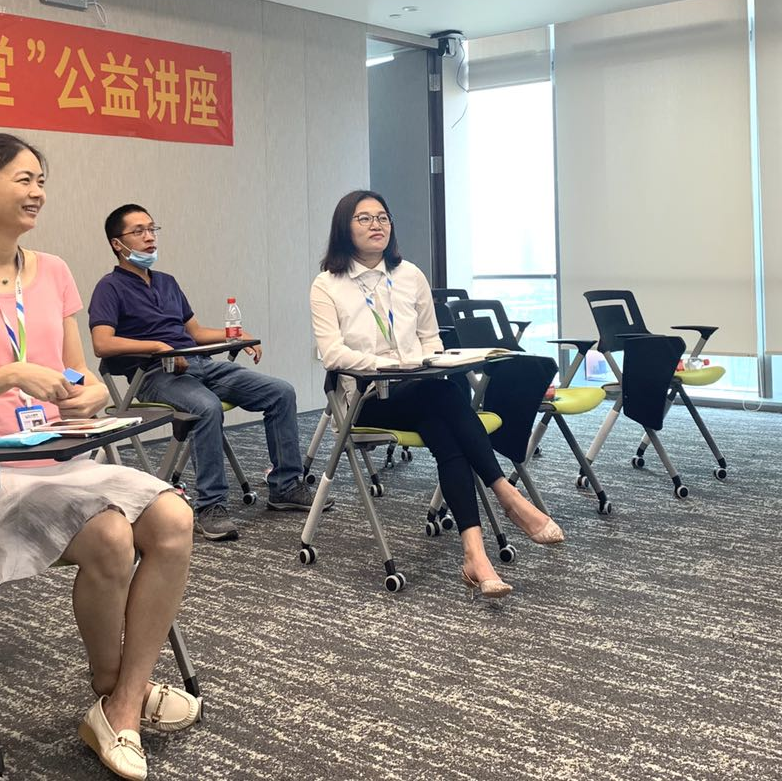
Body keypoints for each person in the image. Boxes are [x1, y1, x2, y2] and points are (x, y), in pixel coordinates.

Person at [0, 133, 196, 781]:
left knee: (175, 518)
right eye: (23, 180)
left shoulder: (54, 271)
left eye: (41, 180)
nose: (37, 192)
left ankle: (121, 700)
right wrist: (9, 374)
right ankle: (117, 694)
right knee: (111, 536)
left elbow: (78, 373)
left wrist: (90, 393)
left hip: (63, 454)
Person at [309, 189, 565, 598]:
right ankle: (507, 495)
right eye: (365, 218)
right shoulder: (327, 285)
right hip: (366, 399)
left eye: (382, 217)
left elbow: (430, 338)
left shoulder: (409, 275)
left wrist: (429, 361)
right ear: (344, 227)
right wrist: (391, 366)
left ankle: (475, 555)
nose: (377, 225)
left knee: (445, 426)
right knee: (447, 400)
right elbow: (332, 352)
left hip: (419, 391)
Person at [89, 205, 320, 543]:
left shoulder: (167, 282)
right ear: (117, 243)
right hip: (154, 375)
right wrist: (157, 347)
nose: (149, 237)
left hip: (199, 364)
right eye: (138, 231)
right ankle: (211, 506)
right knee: (206, 407)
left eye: (152, 229)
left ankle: (285, 486)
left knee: (280, 392)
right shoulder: (109, 287)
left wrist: (235, 336)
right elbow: (102, 343)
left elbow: (195, 333)